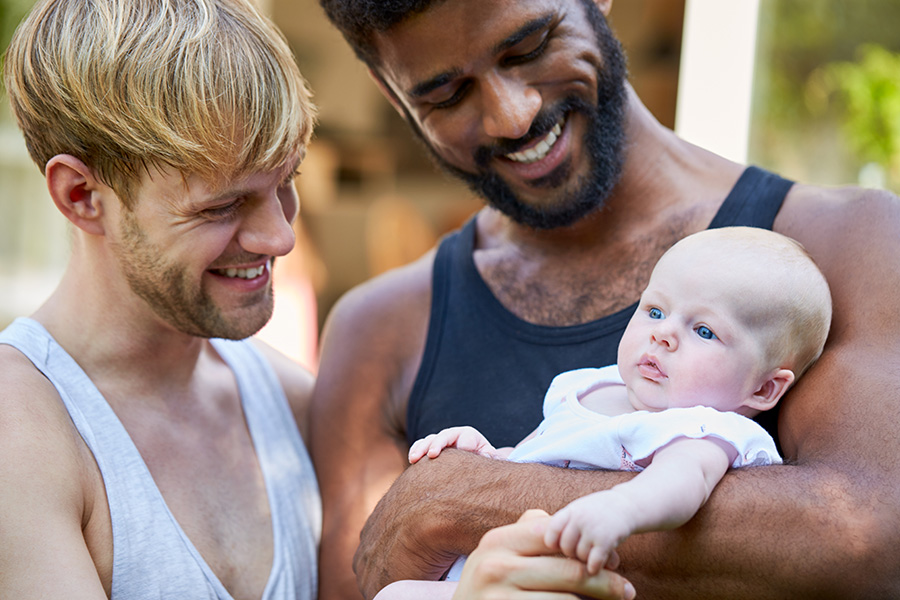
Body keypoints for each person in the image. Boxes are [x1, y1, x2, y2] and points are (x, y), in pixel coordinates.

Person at [309, 0, 900, 598]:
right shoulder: (376, 330)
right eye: (445, 94)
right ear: (390, 91)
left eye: (531, 45)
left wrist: (460, 499)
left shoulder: (852, 242)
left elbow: (873, 541)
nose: (513, 117)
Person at [0, 0, 320, 598]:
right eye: (222, 206)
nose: (281, 236)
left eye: (287, 183)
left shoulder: (291, 401)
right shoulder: (21, 433)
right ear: (80, 196)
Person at [398, 227, 831, 594]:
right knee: (394, 592)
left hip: (567, 579)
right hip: (488, 574)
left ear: (763, 387)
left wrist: (617, 510)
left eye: (703, 330)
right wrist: (485, 455)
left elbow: (682, 485)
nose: (663, 334)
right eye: (656, 310)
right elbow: (530, 456)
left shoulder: (702, 429)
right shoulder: (589, 386)